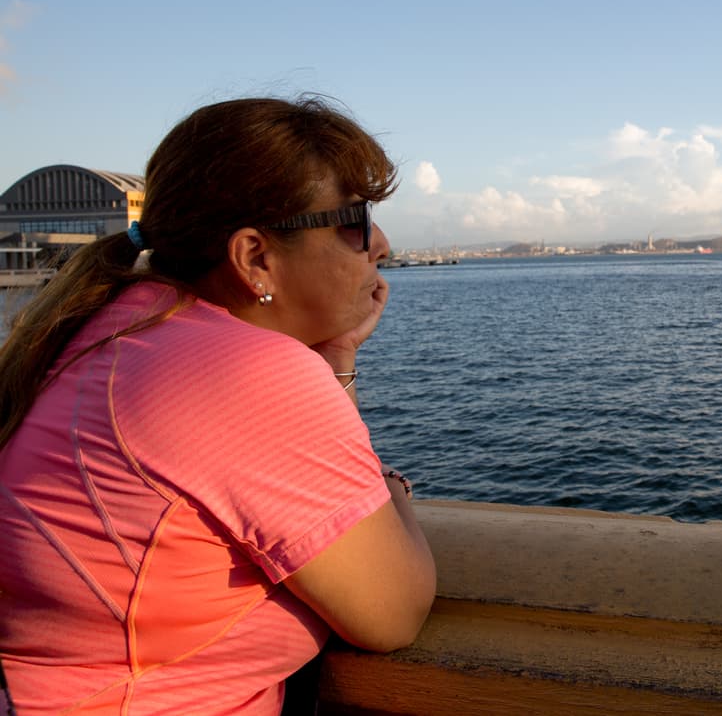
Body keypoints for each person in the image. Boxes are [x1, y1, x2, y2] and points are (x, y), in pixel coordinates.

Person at [0, 97, 437, 714]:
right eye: (355, 221)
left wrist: (335, 358)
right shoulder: (237, 371)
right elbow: (393, 610)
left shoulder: (109, 329)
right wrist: (391, 491)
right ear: (256, 257)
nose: (382, 245)